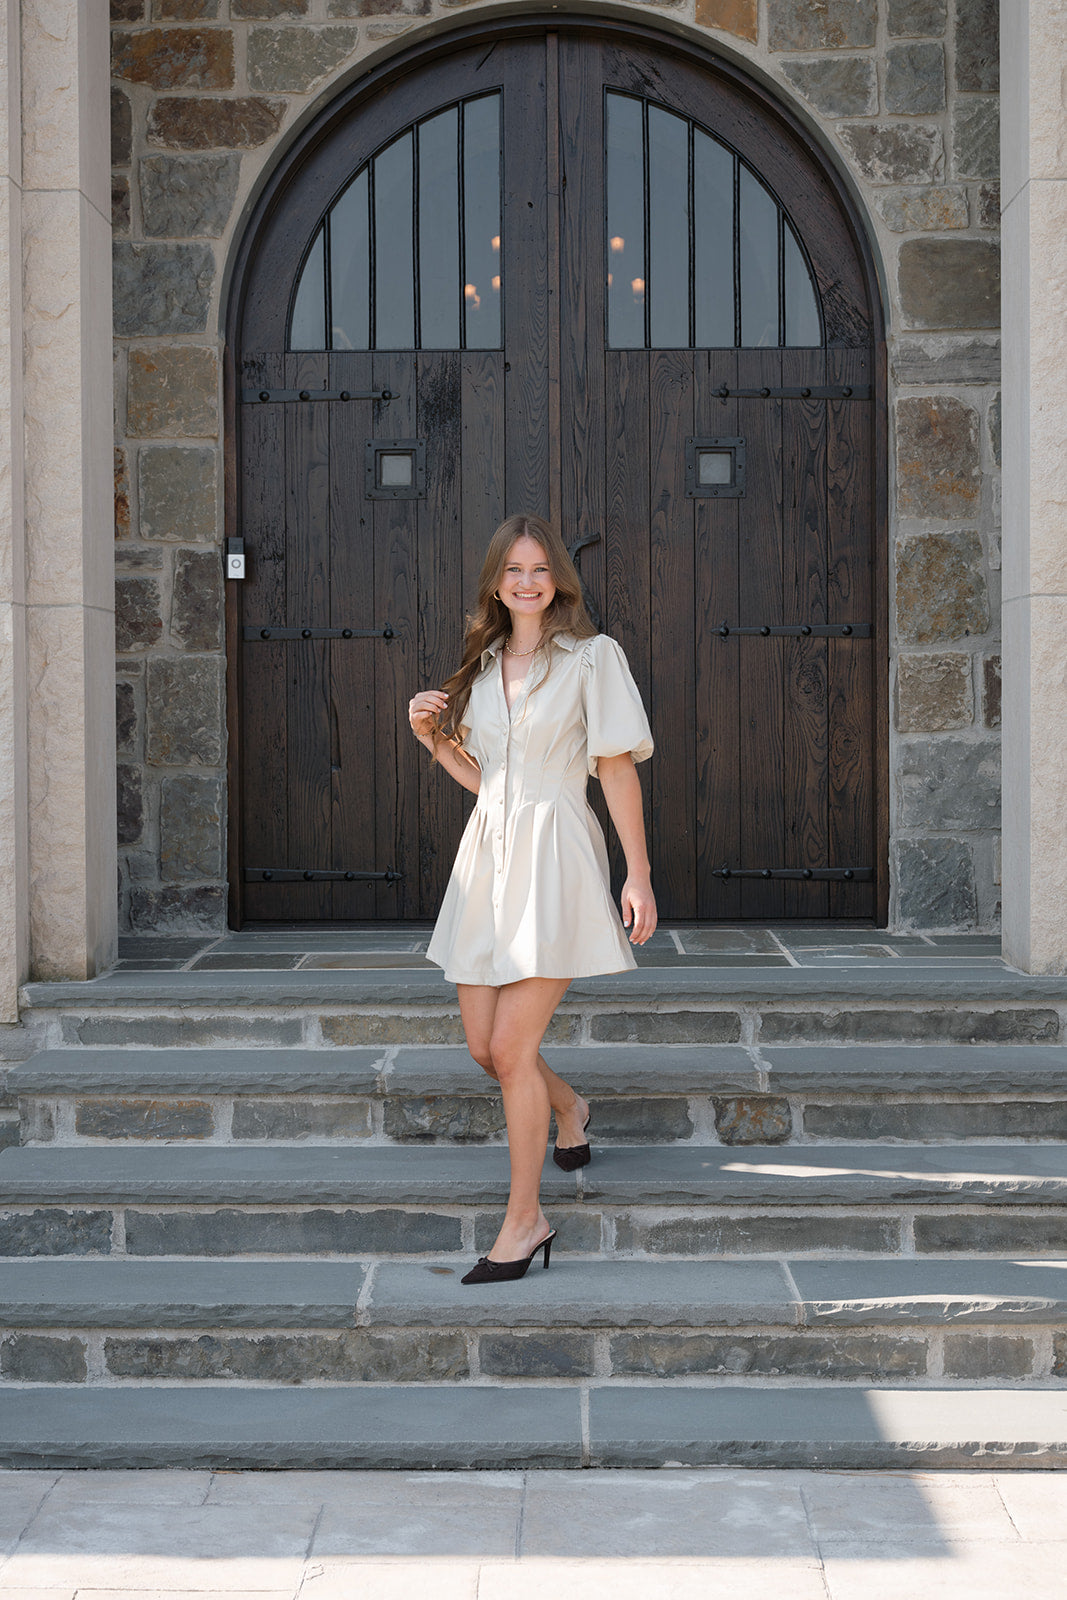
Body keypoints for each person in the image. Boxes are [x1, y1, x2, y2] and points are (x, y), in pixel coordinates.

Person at [407, 513, 655, 1285]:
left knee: (512, 1048)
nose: (526, 581)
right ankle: (569, 1107)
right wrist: (434, 743)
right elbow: (492, 783)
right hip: (487, 855)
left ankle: (524, 1221)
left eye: (539, 569)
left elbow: (612, 768)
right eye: (512, 570)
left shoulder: (591, 659)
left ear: (558, 580)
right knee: (485, 1049)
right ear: (494, 582)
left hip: (557, 855)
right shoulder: (479, 669)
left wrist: (637, 873)